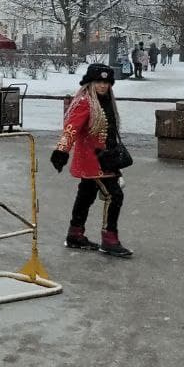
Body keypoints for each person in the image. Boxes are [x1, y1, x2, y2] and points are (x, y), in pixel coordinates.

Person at [49, 63, 133, 258]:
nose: (103, 85)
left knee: (86, 195)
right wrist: (61, 151)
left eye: (106, 82)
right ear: (90, 83)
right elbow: (71, 129)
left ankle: (75, 234)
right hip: (92, 160)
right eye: (98, 82)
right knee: (114, 196)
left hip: (106, 159)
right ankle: (109, 239)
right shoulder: (84, 102)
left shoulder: (106, 102)